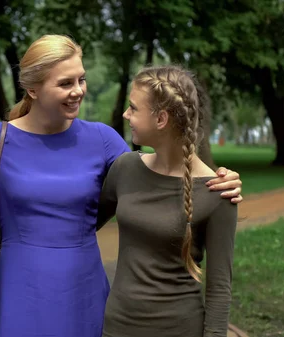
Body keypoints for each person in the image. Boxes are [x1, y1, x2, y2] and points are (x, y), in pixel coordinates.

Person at [0, 35, 243, 337]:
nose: (79, 90)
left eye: (82, 79)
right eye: (66, 82)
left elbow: (163, 172)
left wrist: (219, 177)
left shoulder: (105, 141)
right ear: (34, 89)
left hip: (85, 287)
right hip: (19, 287)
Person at [97, 65, 238, 337]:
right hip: (117, 327)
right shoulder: (125, 168)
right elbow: (82, 224)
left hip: (180, 328)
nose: (126, 115)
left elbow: (220, 289)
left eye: (134, 108)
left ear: (161, 119)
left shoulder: (218, 191)